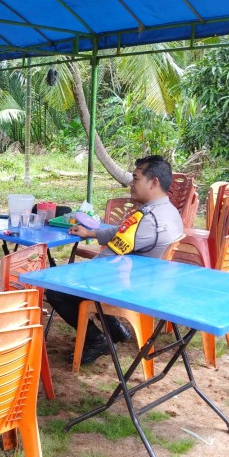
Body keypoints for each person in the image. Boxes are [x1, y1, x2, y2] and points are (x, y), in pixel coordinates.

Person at [46, 155, 184, 364]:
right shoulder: (168, 211)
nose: (131, 183)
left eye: (136, 178)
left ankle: (96, 340)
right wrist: (91, 233)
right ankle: (116, 330)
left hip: (131, 287)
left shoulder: (149, 221)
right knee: (75, 285)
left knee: (56, 290)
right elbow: (122, 231)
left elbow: (105, 260)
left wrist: (75, 276)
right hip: (148, 278)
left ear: (154, 182)